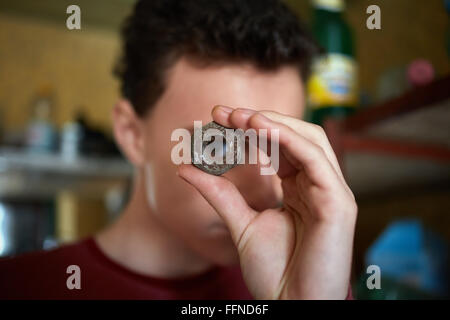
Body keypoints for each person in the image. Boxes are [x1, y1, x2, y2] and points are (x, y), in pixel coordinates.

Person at [0, 0, 357, 299]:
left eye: (279, 150)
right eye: (217, 145)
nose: (268, 190)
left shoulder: (312, 283)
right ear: (131, 134)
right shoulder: (19, 288)